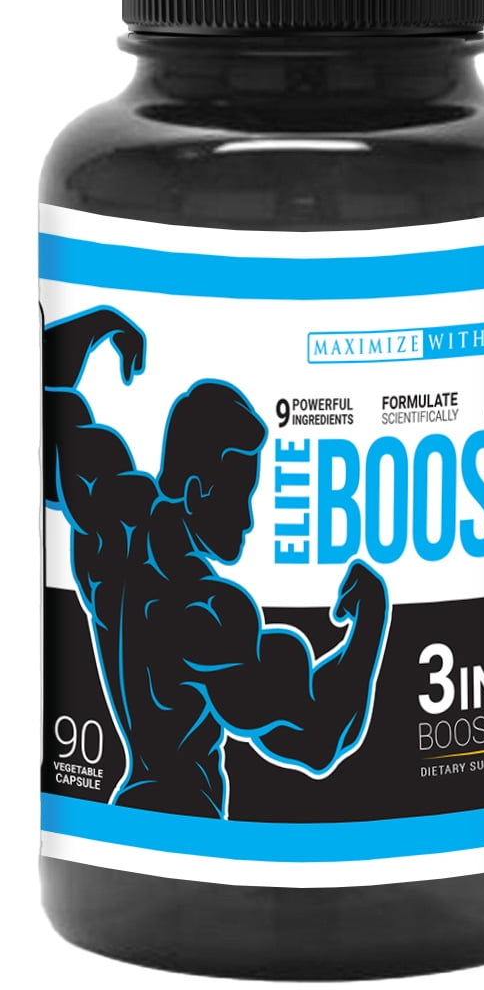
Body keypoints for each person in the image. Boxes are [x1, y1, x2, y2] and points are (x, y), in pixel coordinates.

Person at [44, 307, 391, 817]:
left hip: (130, 806)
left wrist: (97, 324)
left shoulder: (110, 516)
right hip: (187, 813)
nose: (248, 519)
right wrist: (371, 620)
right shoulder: (202, 613)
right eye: (239, 495)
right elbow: (318, 735)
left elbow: (46, 398)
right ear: (195, 491)